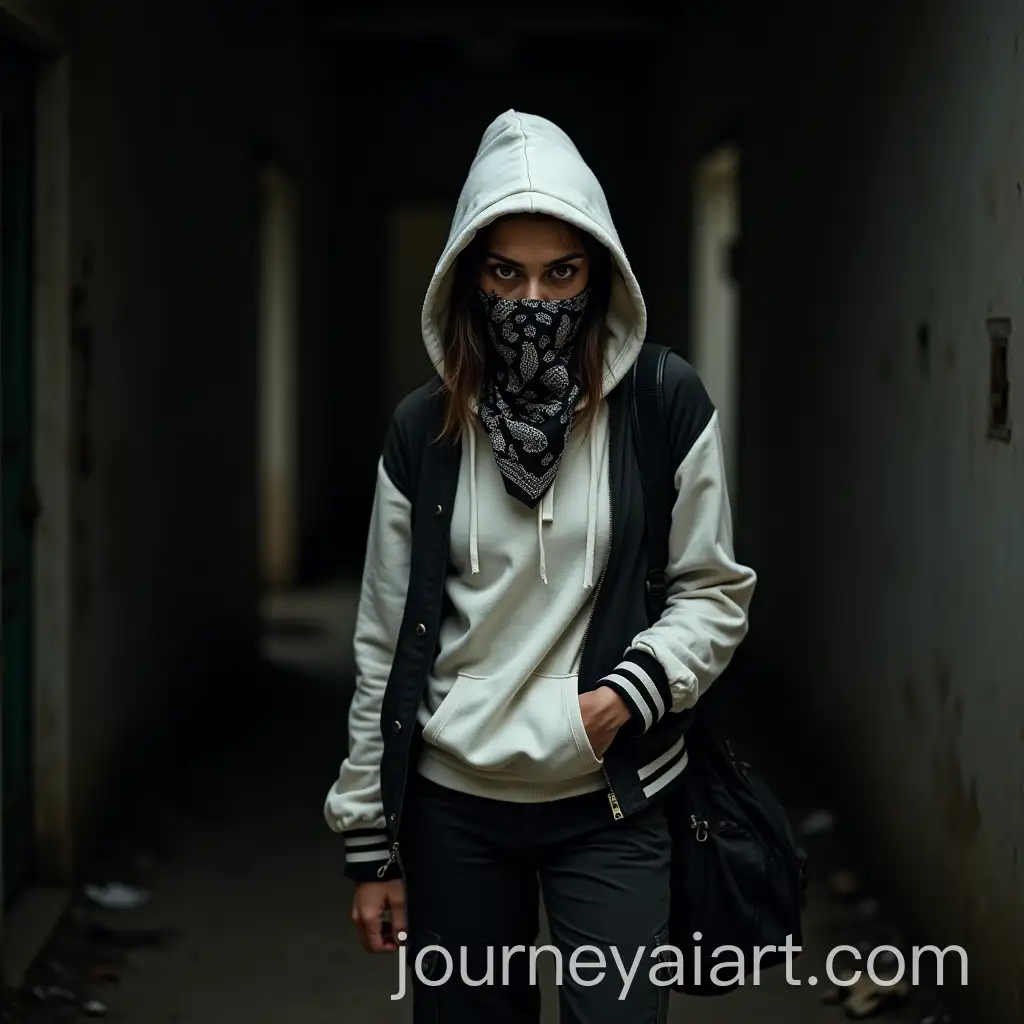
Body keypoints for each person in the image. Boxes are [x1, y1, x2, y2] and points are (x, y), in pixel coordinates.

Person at [324, 109, 757, 1023]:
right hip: (455, 813)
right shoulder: (422, 432)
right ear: (466, 277)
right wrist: (372, 845)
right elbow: (380, 642)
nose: (533, 301)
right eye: (506, 273)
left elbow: (713, 592)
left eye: (561, 273)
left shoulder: (664, 405)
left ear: (600, 271)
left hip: (615, 799)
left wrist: (626, 695)